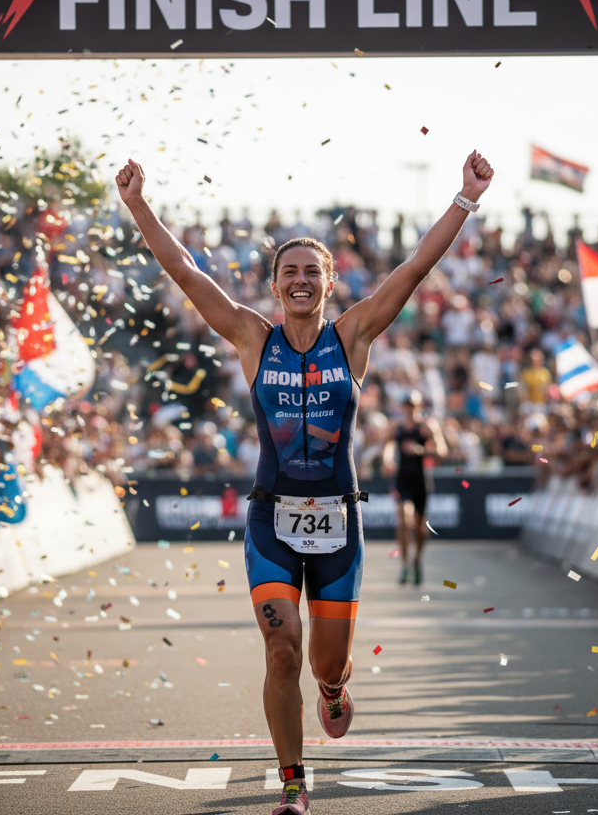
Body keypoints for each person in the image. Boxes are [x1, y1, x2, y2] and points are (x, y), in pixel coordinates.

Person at [116, 150, 494, 815]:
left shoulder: (352, 337)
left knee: (324, 665)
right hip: (270, 521)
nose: (299, 280)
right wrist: (138, 205)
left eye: (310, 272)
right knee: (281, 650)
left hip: (338, 524)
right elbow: (184, 270)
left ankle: (334, 691)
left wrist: (465, 198)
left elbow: (414, 269)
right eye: (288, 271)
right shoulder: (249, 337)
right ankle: (293, 781)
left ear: (327, 283)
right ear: (272, 284)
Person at [382, 391, 447, 584]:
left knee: (419, 526)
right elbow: (387, 446)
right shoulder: (397, 427)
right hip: (402, 479)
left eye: (412, 406)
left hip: (420, 480)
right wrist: (387, 460)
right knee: (403, 520)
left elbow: (442, 450)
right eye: (406, 406)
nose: (409, 409)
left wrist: (421, 450)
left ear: (418, 407)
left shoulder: (426, 426)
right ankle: (404, 564)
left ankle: (417, 560)